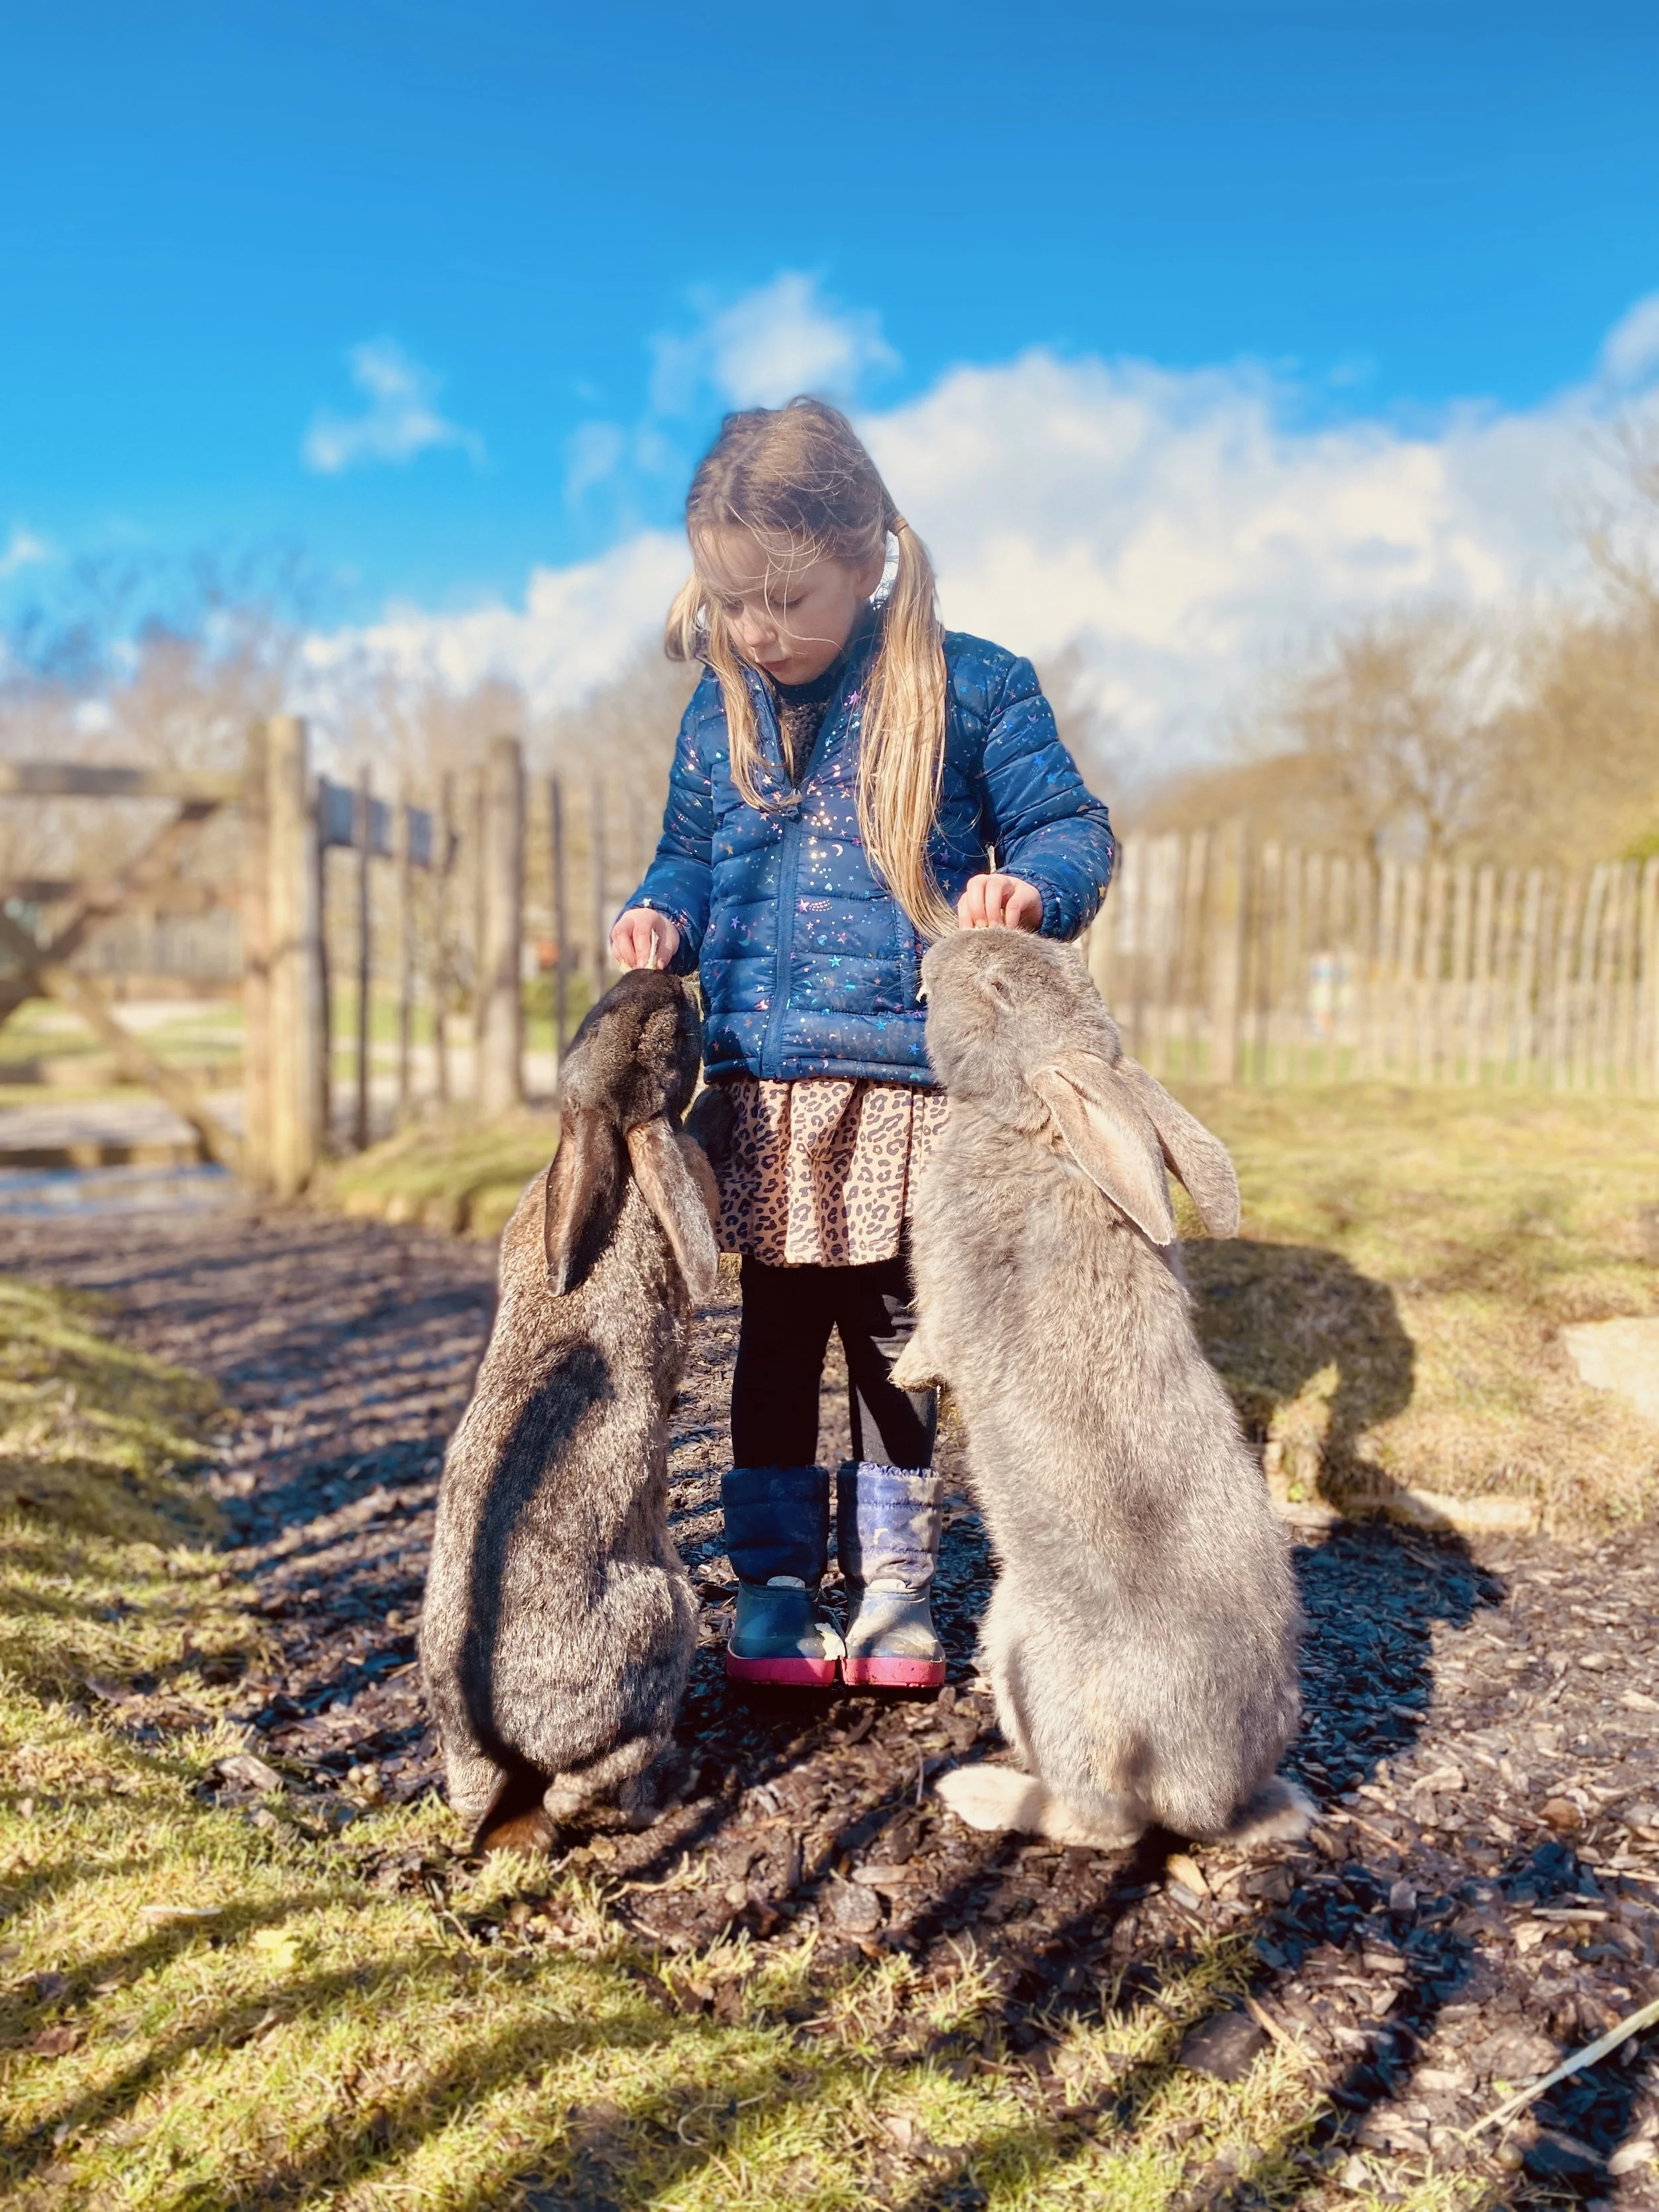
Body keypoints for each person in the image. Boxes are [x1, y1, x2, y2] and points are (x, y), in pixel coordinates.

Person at [611, 397, 1116, 1690]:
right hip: (770, 1085)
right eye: (731, 600)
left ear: (869, 558)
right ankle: (776, 1582)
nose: (754, 628)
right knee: (776, 1336)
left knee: (897, 1337)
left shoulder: (974, 687)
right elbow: (690, 853)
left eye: (784, 597)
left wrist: (1033, 892)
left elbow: (1068, 826)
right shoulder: (714, 715)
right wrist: (660, 905)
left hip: (909, 1083)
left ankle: (893, 1585)